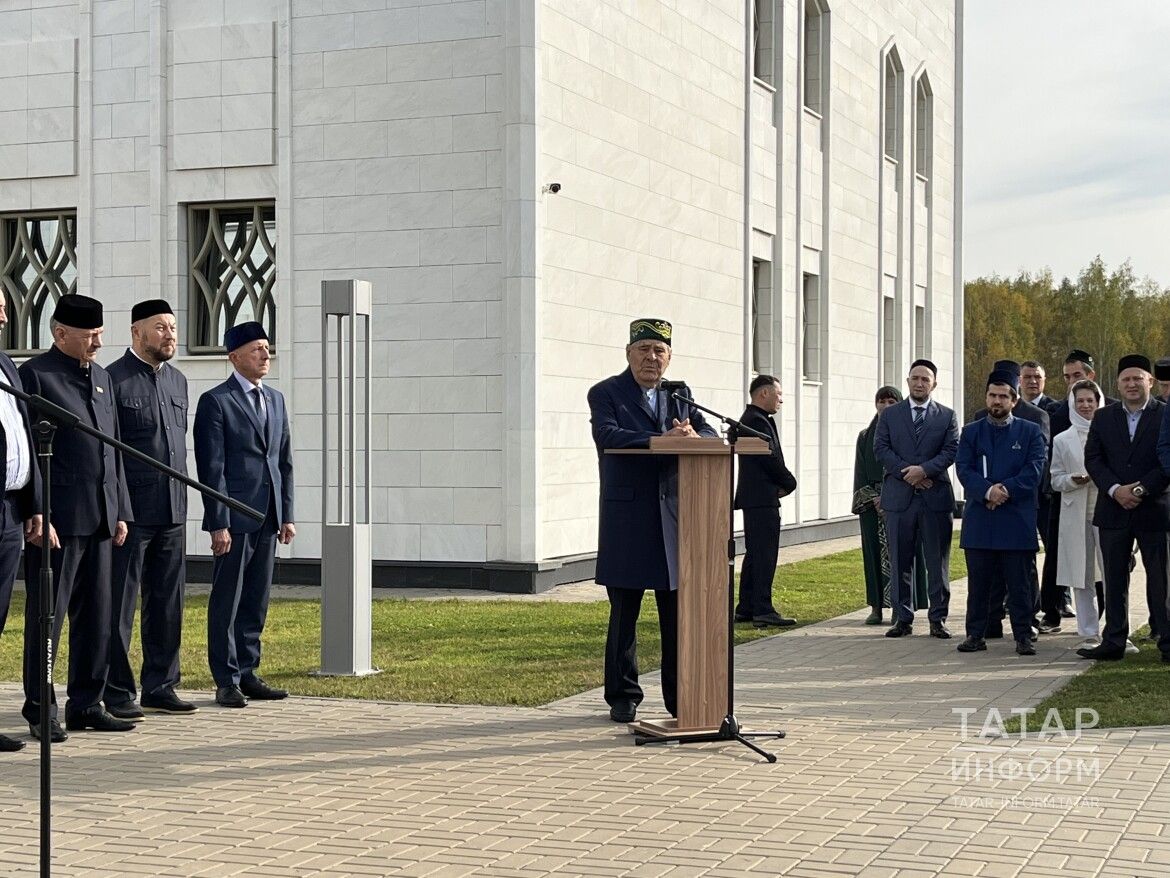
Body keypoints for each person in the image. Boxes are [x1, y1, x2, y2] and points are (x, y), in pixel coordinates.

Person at [587, 318, 717, 724]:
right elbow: (608, 435)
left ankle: (680, 698)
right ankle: (623, 695)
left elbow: (707, 429)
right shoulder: (606, 393)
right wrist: (662, 441)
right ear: (628, 354)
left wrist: (696, 437)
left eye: (659, 351)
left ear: (669, 357)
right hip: (627, 517)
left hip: (674, 518)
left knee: (676, 613)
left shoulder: (679, 394)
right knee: (625, 612)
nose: (651, 357)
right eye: (643, 349)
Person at [19, 294, 134, 739]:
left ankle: (87, 702)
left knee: (98, 617)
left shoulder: (102, 378)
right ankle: (40, 707)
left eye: (101, 334)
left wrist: (120, 507)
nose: (97, 343)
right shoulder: (37, 376)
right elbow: (29, 453)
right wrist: (38, 512)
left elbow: (115, 447)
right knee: (49, 617)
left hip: (102, 517)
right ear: (60, 333)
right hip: (59, 522)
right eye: (89, 336)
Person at [194, 321, 295, 708]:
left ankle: (249, 672)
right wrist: (218, 521)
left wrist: (286, 513)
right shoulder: (216, 401)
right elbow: (212, 468)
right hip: (233, 519)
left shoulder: (276, 399)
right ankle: (227, 678)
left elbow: (283, 461)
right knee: (228, 599)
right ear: (234, 356)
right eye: (256, 350)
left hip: (267, 516)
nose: (265, 355)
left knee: (256, 598)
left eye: (267, 349)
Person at [105, 300, 196, 718]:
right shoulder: (112, 381)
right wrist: (119, 510)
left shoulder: (178, 381)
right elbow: (111, 455)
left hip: (172, 510)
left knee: (167, 603)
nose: (170, 335)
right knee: (119, 604)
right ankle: (117, 690)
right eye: (160, 328)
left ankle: (161, 684)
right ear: (136, 332)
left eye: (173, 328)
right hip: (131, 514)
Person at [1079, 355, 1170, 662]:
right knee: (1115, 579)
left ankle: (1167, 642)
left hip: (1154, 509)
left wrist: (1141, 489)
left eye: (1138, 378)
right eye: (1126, 379)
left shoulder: (1165, 415)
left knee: (1162, 581)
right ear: (1117, 384)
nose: (1132, 384)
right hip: (1113, 510)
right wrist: (1116, 490)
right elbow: (1093, 458)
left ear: (1151, 382)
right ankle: (1114, 640)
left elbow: (1166, 460)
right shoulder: (1104, 417)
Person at [955, 369, 1047, 656]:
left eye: (1003, 396)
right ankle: (975, 634)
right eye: (992, 396)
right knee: (979, 584)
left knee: (1019, 584)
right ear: (986, 398)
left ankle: (1023, 636)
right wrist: (986, 492)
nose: (997, 401)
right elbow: (964, 469)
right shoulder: (971, 432)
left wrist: (1003, 490)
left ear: (1014, 400)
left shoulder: (1029, 432)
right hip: (981, 519)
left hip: (1015, 519)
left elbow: (1034, 470)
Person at [873, 359, 959, 639]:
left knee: (937, 563)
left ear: (934, 383)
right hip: (900, 497)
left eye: (925, 379)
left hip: (935, 496)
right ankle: (903, 618)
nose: (919, 383)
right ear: (907, 381)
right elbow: (881, 448)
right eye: (915, 378)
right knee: (900, 561)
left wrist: (925, 470)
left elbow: (951, 450)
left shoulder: (946, 415)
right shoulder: (890, 415)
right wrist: (907, 473)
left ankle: (938, 618)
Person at [853, 386, 928, 625]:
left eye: (890, 401)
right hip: (871, 506)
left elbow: (911, 467)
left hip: (902, 501)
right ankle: (876, 606)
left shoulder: (908, 433)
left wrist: (889, 497)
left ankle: (901, 607)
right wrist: (874, 498)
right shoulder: (866, 436)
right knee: (873, 555)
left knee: (903, 555)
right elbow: (861, 472)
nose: (885, 406)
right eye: (881, 401)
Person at [0, 297, 36, 752]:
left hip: (9, 511)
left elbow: (23, 435)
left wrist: (34, 506)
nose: (5, 316)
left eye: (5, 307)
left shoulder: (7, 364)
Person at [734, 374, 798, 628]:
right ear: (763, 394)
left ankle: (746, 607)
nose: (781, 400)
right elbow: (769, 458)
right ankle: (762, 608)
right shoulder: (754, 422)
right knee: (764, 555)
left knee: (755, 553)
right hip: (761, 498)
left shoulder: (756, 420)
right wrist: (790, 482)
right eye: (778, 394)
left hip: (758, 497)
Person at [1050, 380, 1107, 647]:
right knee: (1082, 577)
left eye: (1090, 401)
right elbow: (1055, 480)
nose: (1085, 406)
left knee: (1113, 574)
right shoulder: (1063, 439)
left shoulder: (1111, 433)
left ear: (1099, 403)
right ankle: (1088, 632)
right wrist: (1074, 480)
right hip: (1077, 515)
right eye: (1080, 401)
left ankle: (1117, 630)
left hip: (1108, 514)